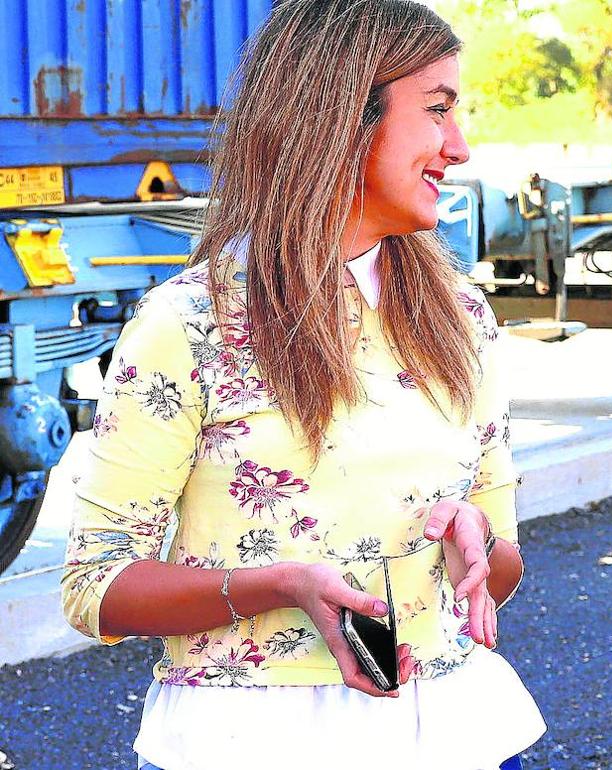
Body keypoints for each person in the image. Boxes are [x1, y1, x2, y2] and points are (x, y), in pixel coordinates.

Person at [60, 2, 544, 768]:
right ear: (343, 117)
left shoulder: (464, 319)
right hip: (244, 745)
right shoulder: (189, 324)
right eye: (439, 111)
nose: (460, 147)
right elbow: (96, 585)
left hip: (459, 736)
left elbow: (503, 569)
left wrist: (476, 547)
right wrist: (280, 584)